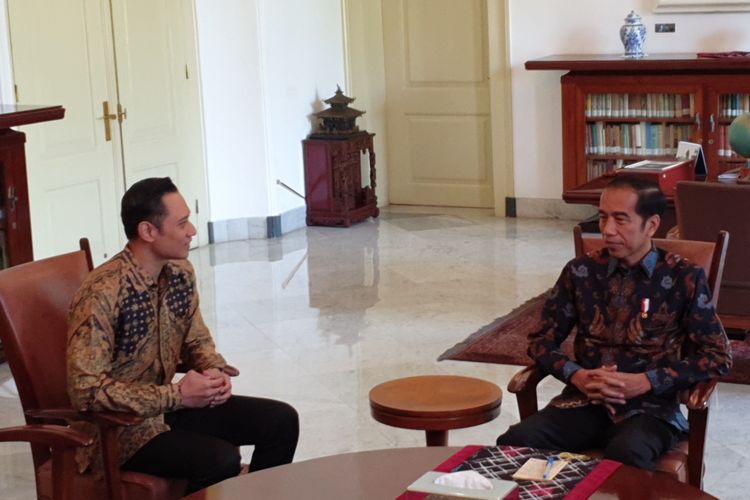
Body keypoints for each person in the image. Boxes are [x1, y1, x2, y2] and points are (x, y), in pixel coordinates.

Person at [67, 177, 299, 493]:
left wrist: (212, 369)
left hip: (171, 411)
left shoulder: (179, 271)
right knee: (219, 459)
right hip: (119, 431)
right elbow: (86, 390)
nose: (192, 231)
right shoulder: (102, 292)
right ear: (148, 231)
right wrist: (177, 395)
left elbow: (195, 339)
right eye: (183, 223)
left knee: (281, 421)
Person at [496, 175, 732, 469]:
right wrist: (577, 375)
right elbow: (540, 340)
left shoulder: (684, 277)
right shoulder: (581, 272)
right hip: (583, 400)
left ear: (652, 224)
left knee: (627, 455)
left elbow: (717, 355)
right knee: (516, 442)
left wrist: (646, 381)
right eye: (604, 217)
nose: (607, 230)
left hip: (650, 409)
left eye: (621, 220)